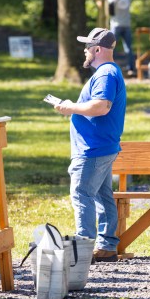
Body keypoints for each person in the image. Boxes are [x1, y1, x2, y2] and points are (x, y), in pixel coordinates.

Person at [53, 28, 127, 263]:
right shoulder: (109, 71)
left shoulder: (105, 74)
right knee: (103, 196)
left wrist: (70, 107)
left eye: (87, 46)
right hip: (102, 146)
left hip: (93, 148)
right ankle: (106, 247)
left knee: (81, 193)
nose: (84, 50)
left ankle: (83, 250)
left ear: (97, 50)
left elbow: (101, 106)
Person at [105, 0, 135, 76]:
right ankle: (131, 68)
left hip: (116, 25)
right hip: (127, 25)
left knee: (111, 47)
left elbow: (108, 0)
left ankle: (109, 67)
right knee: (128, 48)